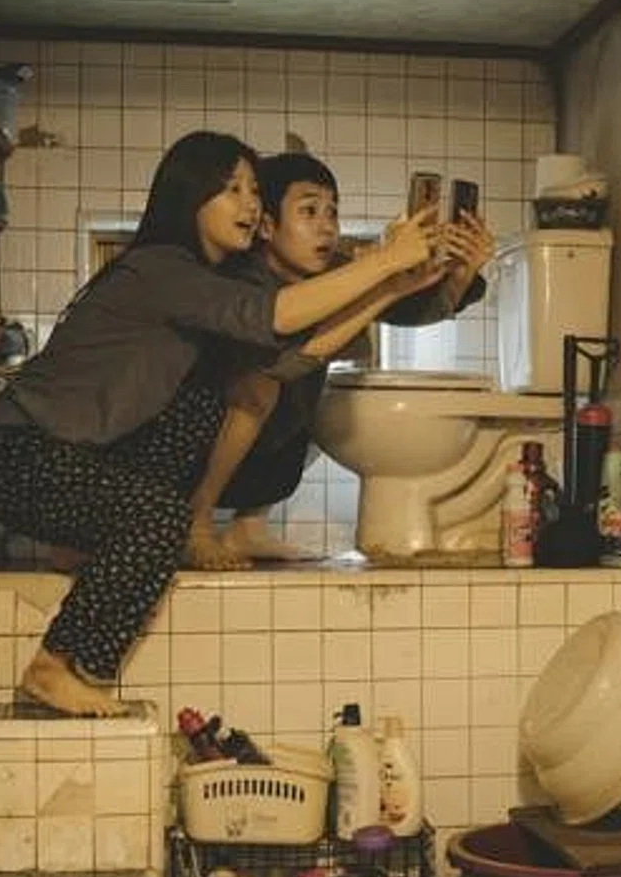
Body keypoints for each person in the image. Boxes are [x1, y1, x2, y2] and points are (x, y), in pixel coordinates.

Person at [0, 132, 435, 716]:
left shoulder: (200, 284)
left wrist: (388, 290)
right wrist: (384, 260)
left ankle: (74, 545)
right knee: (162, 519)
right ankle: (54, 666)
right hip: (16, 453)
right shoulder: (162, 269)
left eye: (254, 192)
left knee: (210, 401)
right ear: (191, 197)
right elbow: (276, 315)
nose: (250, 205)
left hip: (71, 457)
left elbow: (289, 358)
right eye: (232, 190)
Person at [183, 152, 495, 568]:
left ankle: (248, 527)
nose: (327, 226)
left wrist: (458, 277)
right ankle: (196, 521)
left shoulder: (329, 269)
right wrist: (384, 264)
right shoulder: (239, 279)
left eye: (332, 211)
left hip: (262, 458)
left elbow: (401, 308)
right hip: (188, 455)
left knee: (325, 384)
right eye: (309, 211)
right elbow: (282, 337)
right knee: (263, 381)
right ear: (267, 225)